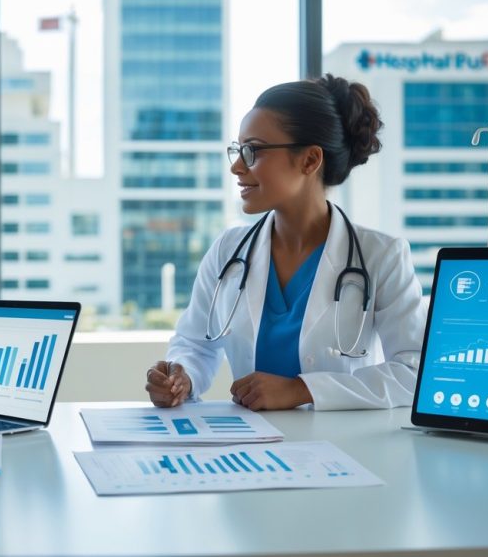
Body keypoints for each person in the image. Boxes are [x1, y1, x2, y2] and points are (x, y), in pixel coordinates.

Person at [146, 74, 426, 411]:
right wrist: (182, 376)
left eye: (253, 151)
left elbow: (414, 374)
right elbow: (195, 344)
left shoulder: (381, 256)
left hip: (345, 452)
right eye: (237, 150)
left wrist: (303, 390)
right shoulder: (229, 249)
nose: (237, 167)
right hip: (250, 449)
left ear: (310, 160)